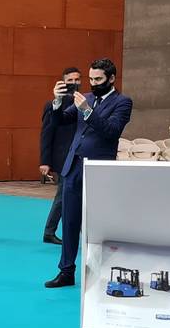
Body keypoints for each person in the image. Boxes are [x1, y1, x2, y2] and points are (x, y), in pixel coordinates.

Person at [45, 58, 132, 289]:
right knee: (69, 222)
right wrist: (57, 102)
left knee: (98, 225)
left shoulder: (123, 102)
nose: (93, 84)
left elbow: (111, 131)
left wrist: (86, 110)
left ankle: (100, 271)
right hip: (73, 167)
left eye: (98, 79)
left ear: (111, 78)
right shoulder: (87, 97)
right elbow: (62, 121)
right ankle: (66, 271)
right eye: (91, 79)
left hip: (100, 170)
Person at [40, 66, 81, 245]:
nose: (74, 83)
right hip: (63, 158)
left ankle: (52, 231)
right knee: (63, 196)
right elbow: (46, 134)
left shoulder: (84, 102)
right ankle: (49, 231)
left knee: (70, 196)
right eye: (70, 80)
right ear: (63, 82)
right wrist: (45, 161)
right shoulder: (52, 105)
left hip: (80, 157)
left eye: (77, 79)